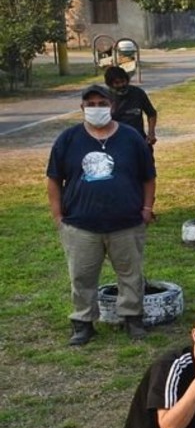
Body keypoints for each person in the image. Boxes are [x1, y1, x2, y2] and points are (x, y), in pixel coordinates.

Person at [46, 85, 157, 344]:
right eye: (91, 104)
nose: (97, 108)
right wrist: (58, 216)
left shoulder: (131, 138)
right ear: (82, 108)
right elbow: (54, 180)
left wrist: (147, 209)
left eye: (102, 103)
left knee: (130, 274)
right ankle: (83, 323)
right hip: (81, 224)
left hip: (127, 223)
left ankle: (132, 318)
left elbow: (148, 178)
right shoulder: (68, 139)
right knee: (82, 276)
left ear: (113, 106)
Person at [105, 66, 157, 150]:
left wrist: (151, 133)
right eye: (117, 83)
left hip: (138, 140)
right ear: (110, 84)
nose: (121, 85)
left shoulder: (137, 93)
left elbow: (151, 113)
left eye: (123, 81)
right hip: (116, 143)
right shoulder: (105, 98)